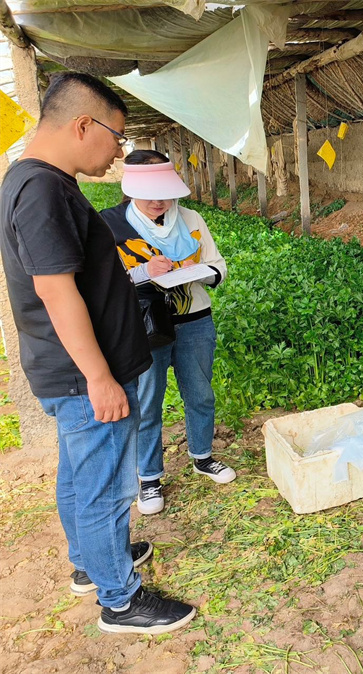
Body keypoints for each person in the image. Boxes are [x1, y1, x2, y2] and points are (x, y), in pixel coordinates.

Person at [0, 72, 195, 633]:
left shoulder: (36, 181)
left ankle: (92, 563)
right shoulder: (41, 188)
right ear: (83, 124)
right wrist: (99, 377)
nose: (119, 153)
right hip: (84, 375)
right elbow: (55, 289)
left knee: (81, 475)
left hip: (73, 372)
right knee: (106, 487)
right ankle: (120, 600)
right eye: (117, 136)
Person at [101, 150, 234, 516]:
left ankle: (202, 456)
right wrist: (144, 272)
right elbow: (104, 285)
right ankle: (149, 478)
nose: (159, 202)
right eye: (150, 194)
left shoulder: (191, 219)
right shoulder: (112, 226)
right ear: (130, 190)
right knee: (147, 402)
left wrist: (199, 271)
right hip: (145, 325)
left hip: (194, 319)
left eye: (166, 192)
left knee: (200, 392)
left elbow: (218, 266)